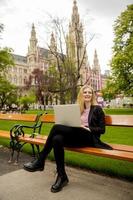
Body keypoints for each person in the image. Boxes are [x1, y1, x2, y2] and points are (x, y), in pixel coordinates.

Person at [23, 85, 112, 193]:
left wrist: (86, 127)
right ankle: (62, 176)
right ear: (81, 95)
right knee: (57, 139)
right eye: (85, 92)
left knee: (56, 127)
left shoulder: (97, 109)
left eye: (89, 92)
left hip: (89, 138)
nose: (87, 94)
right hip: (76, 136)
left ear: (92, 95)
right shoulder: (78, 108)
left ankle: (41, 160)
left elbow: (102, 130)